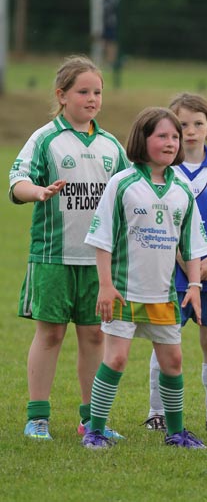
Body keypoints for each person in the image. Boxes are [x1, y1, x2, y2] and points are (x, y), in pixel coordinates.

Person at [8, 55, 130, 441]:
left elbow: (129, 191)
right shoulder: (45, 139)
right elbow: (16, 181)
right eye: (83, 91)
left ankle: (92, 420)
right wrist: (38, 192)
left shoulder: (112, 146)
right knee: (51, 335)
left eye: (97, 92)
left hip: (98, 263)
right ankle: (37, 417)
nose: (92, 98)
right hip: (52, 257)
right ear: (62, 96)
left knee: (94, 336)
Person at [82, 107, 207, 449]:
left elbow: (192, 244)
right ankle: (94, 430)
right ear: (143, 139)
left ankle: (176, 432)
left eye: (175, 137)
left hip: (164, 294)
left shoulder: (182, 188)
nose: (171, 143)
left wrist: (195, 285)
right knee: (117, 358)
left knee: (174, 360)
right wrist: (106, 286)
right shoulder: (122, 183)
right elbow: (102, 239)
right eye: (162, 136)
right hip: (124, 291)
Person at [143, 93, 207, 434]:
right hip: (171, 272)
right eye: (182, 125)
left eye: (198, 124)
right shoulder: (168, 170)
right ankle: (157, 412)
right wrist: (186, 260)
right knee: (166, 339)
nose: (191, 131)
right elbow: (163, 220)